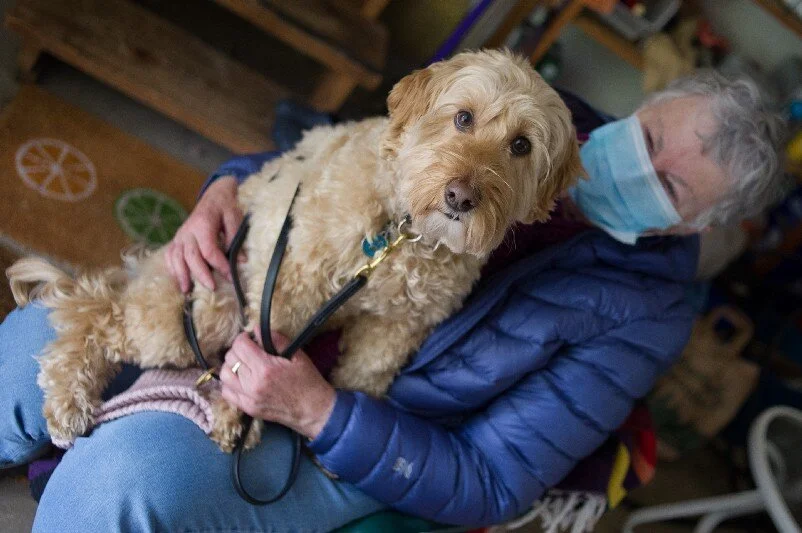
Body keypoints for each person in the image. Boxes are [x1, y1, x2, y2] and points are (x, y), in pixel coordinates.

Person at [0, 71, 786, 531]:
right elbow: (322, 148)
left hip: (347, 426)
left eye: (672, 184)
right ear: (640, 110)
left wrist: (319, 414)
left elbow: (493, 476)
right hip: (255, 292)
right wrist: (222, 188)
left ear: (699, 222)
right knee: (26, 345)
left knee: (126, 481)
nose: (634, 166)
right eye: (647, 138)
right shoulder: (538, 104)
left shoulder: (645, 319)